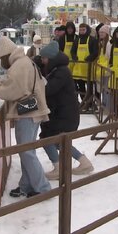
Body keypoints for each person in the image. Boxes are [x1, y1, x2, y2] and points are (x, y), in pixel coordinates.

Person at [0, 37, 51, 198]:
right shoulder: (24, 61)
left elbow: (11, 91)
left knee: (26, 152)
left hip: (28, 114)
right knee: (27, 151)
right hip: (34, 111)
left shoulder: (19, 66)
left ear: (5, 55)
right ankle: (26, 185)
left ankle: (43, 188)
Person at [35, 41, 94, 180]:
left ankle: (58, 168)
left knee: (46, 139)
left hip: (63, 115)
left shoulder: (61, 72)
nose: (43, 61)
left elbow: (49, 90)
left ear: (50, 58)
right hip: (63, 113)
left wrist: (37, 87)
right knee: (60, 141)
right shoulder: (59, 69)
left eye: (44, 59)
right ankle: (84, 162)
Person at [71, 23, 99, 98]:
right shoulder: (77, 40)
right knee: (81, 87)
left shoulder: (92, 40)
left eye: (83, 30)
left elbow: (95, 52)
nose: (82, 31)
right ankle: (83, 101)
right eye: (80, 30)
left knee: (90, 87)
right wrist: (74, 57)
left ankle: (90, 102)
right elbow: (72, 51)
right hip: (79, 68)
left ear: (87, 30)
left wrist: (89, 58)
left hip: (88, 68)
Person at [96, 24, 112, 110]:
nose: (101, 34)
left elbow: (109, 57)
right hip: (101, 69)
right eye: (100, 32)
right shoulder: (101, 42)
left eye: (103, 32)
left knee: (106, 89)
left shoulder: (109, 43)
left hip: (106, 69)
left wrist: (107, 66)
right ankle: (104, 104)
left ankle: (107, 107)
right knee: (102, 88)